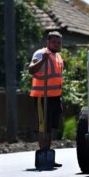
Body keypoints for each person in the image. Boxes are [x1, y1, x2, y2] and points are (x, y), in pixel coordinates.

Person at [28, 31, 64, 167]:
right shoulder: (40, 54)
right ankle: (43, 152)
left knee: (50, 127)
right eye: (54, 42)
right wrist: (43, 60)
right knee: (43, 126)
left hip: (55, 97)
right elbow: (31, 70)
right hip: (42, 96)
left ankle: (48, 155)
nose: (57, 45)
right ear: (48, 42)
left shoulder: (58, 57)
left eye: (59, 42)